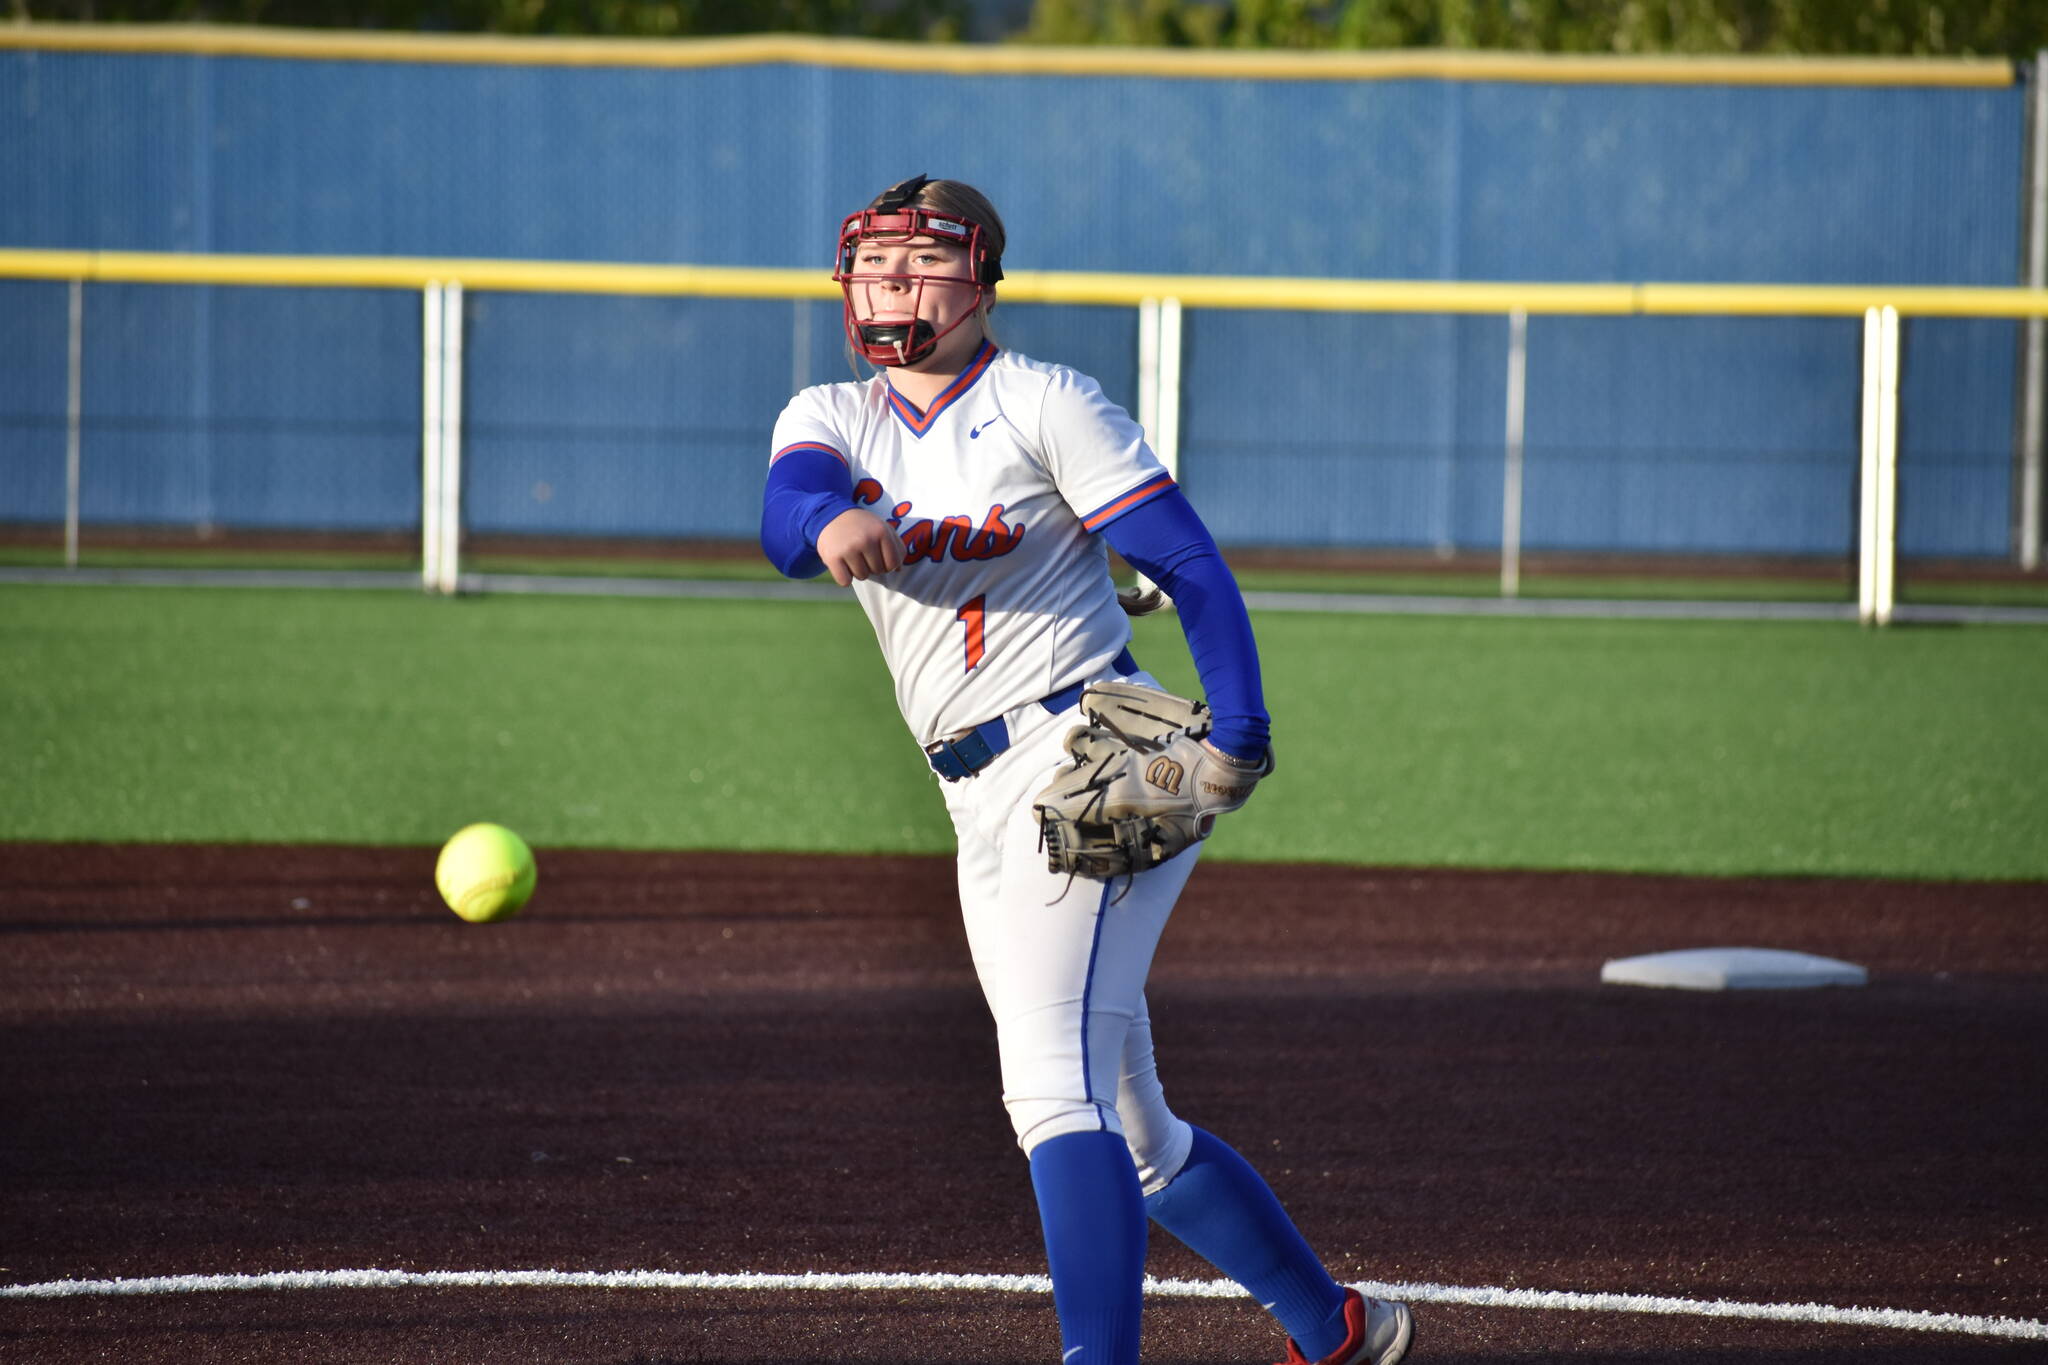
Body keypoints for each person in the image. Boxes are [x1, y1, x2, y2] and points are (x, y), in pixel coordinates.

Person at [760, 174, 1414, 1365]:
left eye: (922, 262)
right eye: (873, 262)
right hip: (973, 797)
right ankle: (1337, 1330)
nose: (892, 282)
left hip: (1086, 759)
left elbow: (1189, 565)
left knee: (1046, 1091)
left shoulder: (1042, 402)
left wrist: (1239, 734)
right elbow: (783, 505)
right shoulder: (830, 415)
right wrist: (817, 525)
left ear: (981, 278)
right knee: (1135, 1129)